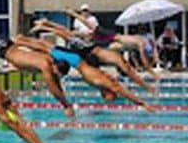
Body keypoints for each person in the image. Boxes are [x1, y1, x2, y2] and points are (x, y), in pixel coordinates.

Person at [11, 35, 153, 110]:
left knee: (48, 48)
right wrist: (140, 103)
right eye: (110, 98)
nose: (106, 100)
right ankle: (20, 41)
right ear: (109, 92)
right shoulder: (105, 82)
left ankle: (22, 40)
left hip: (77, 61)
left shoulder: (101, 83)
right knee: (46, 49)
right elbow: (122, 91)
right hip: (76, 61)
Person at [30, 17, 158, 93]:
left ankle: (46, 25)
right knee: (67, 35)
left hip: (91, 51)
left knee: (68, 35)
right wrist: (147, 85)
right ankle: (45, 25)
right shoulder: (119, 58)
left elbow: (133, 74)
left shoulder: (117, 55)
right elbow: (133, 75)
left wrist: (148, 82)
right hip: (89, 50)